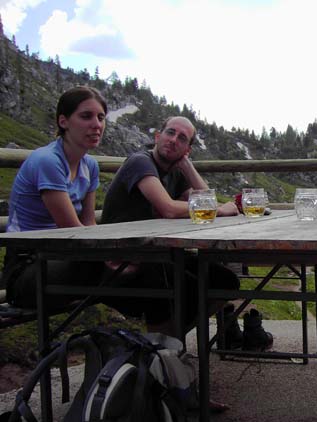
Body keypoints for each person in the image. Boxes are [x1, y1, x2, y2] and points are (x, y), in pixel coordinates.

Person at [101, 116, 272, 350]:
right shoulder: (140, 162)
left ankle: (165, 344)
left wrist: (187, 166)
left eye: (182, 138)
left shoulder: (175, 171)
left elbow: (204, 199)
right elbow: (169, 209)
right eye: (170, 133)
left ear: (188, 149)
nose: (173, 140)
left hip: (155, 254)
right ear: (157, 136)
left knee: (224, 281)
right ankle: (161, 350)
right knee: (176, 284)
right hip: (122, 259)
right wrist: (219, 210)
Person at [3, 86, 107, 308]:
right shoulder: (48, 160)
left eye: (100, 117)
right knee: (122, 268)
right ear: (63, 121)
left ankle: (156, 339)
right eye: (86, 116)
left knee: (145, 268)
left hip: (63, 259)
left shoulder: (90, 165)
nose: (96, 124)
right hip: (26, 268)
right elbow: (70, 228)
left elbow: (88, 224)